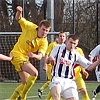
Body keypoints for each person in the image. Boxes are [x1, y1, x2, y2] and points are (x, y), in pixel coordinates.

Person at [9, 6, 51, 100]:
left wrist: (34, 55)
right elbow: (18, 18)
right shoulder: (30, 27)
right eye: (43, 29)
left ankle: (13, 98)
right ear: (39, 28)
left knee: (25, 83)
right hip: (16, 54)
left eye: (47, 31)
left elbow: (41, 56)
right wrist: (19, 11)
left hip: (25, 58)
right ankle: (23, 96)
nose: (44, 32)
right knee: (35, 73)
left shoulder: (44, 41)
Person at [47, 34, 100, 100]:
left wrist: (98, 61)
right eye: (70, 42)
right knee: (56, 95)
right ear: (66, 41)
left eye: (74, 43)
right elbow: (48, 60)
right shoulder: (58, 48)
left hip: (69, 82)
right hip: (57, 78)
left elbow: (89, 67)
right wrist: (51, 58)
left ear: (77, 44)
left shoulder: (76, 55)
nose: (72, 45)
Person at [38, 31, 67, 99]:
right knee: (54, 83)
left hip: (59, 68)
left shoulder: (66, 47)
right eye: (60, 36)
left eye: (63, 36)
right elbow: (47, 54)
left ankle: (42, 89)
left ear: (66, 38)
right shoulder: (53, 45)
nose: (62, 38)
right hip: (51, 67)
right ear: (58, 37)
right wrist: (45, 65)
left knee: (55, 84)